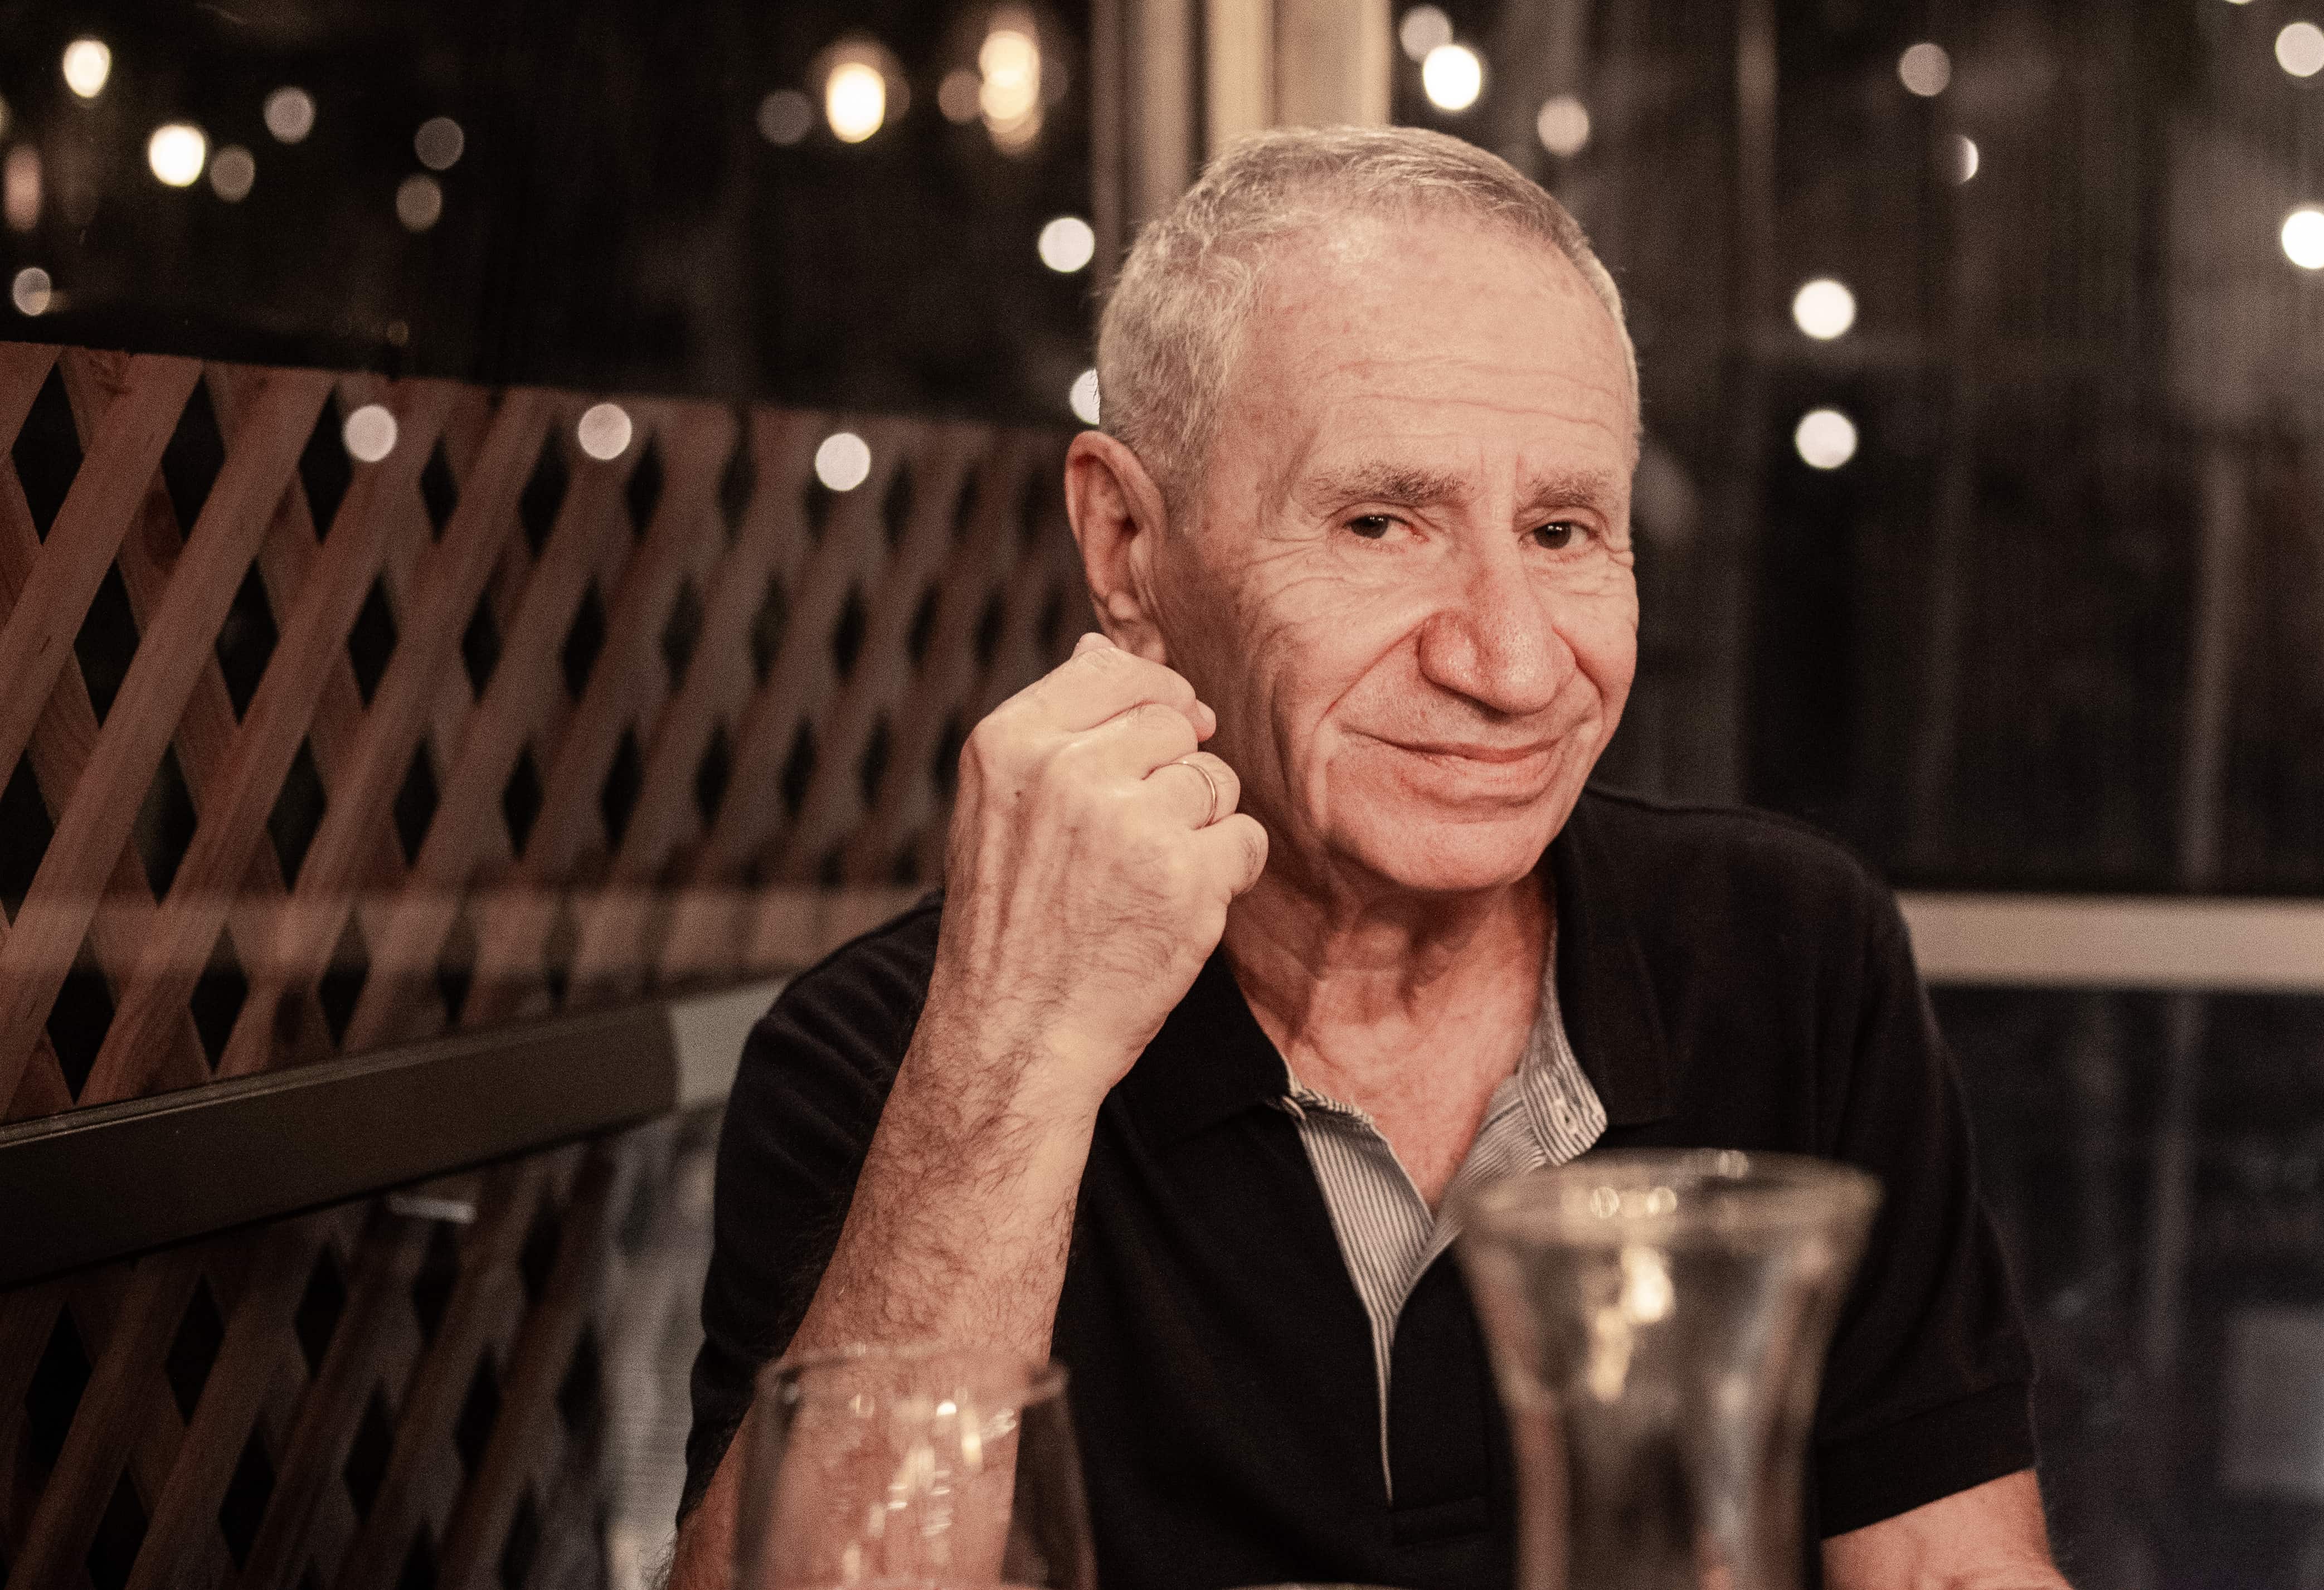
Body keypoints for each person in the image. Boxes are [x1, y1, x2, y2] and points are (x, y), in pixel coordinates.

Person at [667, 125, 2068, 1590]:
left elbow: (1945, 1563)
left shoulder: (1786, 955)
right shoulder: (892, 1053)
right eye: (1383, 522)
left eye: (1564, 527)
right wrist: (1012, 1051)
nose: (1515, 663)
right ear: (1126, 544)